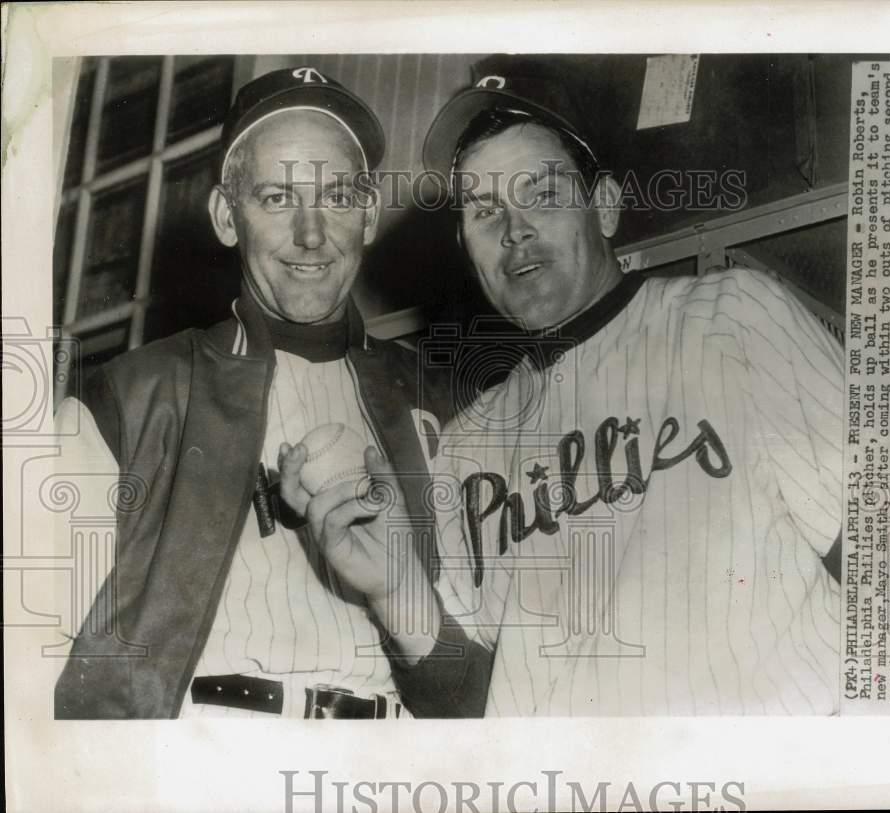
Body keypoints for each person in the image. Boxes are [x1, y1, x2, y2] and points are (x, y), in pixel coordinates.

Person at [293, 60, 845, 717]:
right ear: (467, 248)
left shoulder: (731, 317)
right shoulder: (467, 445)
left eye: (543, 193)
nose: (514, 229)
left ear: (604, 206)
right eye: (485, 210)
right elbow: (469, 705)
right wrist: (394, 591)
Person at [53, 67, 449, 719]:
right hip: (211, 742)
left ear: (370, 215)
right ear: (226, 216)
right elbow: (29, 650)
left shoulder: (440, 403)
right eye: (276, 197)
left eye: (337, 196)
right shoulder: (129, 399)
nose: (311, 233)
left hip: (392, 752)